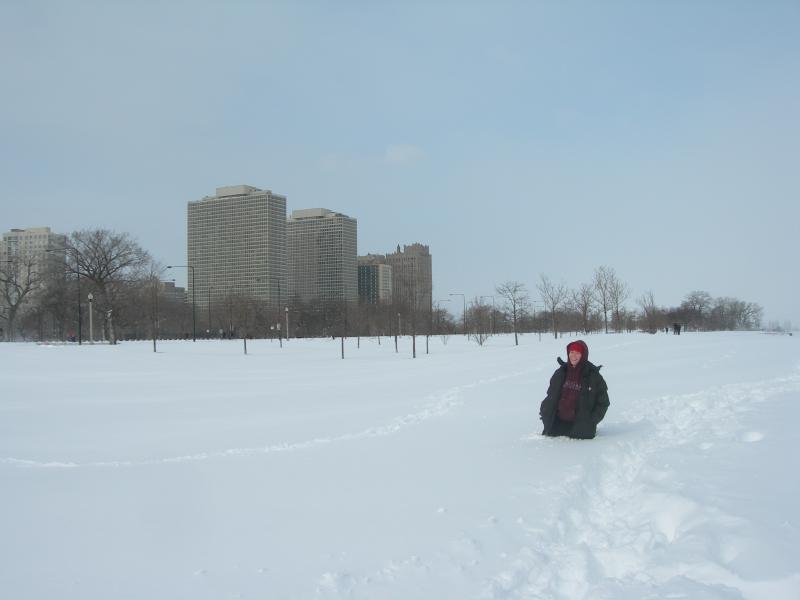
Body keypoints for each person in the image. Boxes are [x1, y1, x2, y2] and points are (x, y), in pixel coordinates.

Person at [540, 339, 609, 439]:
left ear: (583, 355)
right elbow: (551, 395)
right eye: (571, 352)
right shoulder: (560, 373)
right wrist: (545, 410)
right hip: (556, 428)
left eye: (577, 353)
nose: (573, 355)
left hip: (580, 431)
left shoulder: (593, 376)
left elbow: (603, 402)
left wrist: (591, 421)